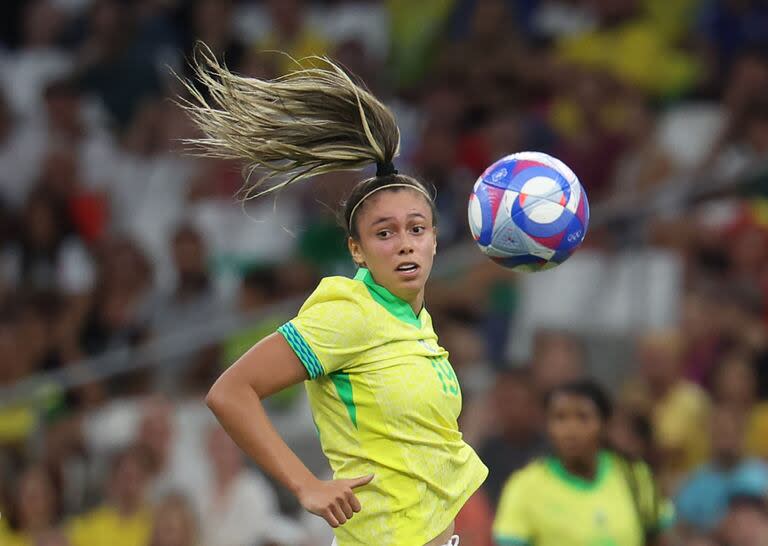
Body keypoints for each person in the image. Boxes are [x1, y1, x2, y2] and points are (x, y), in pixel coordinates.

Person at [181, 45, 488, 546]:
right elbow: (229, 393)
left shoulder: (413, 318)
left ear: (435, 238)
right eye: (384, 233)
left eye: (416, 228)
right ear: (357, 249)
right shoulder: (349, 312)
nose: (405, 242)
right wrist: (306, 485)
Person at [493, 379, 673, 546]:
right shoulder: (525, 486)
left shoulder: (633, 474)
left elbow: (660, 537)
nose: (571, 430)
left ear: (605, 424)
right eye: (560, 418)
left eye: (583, 417)